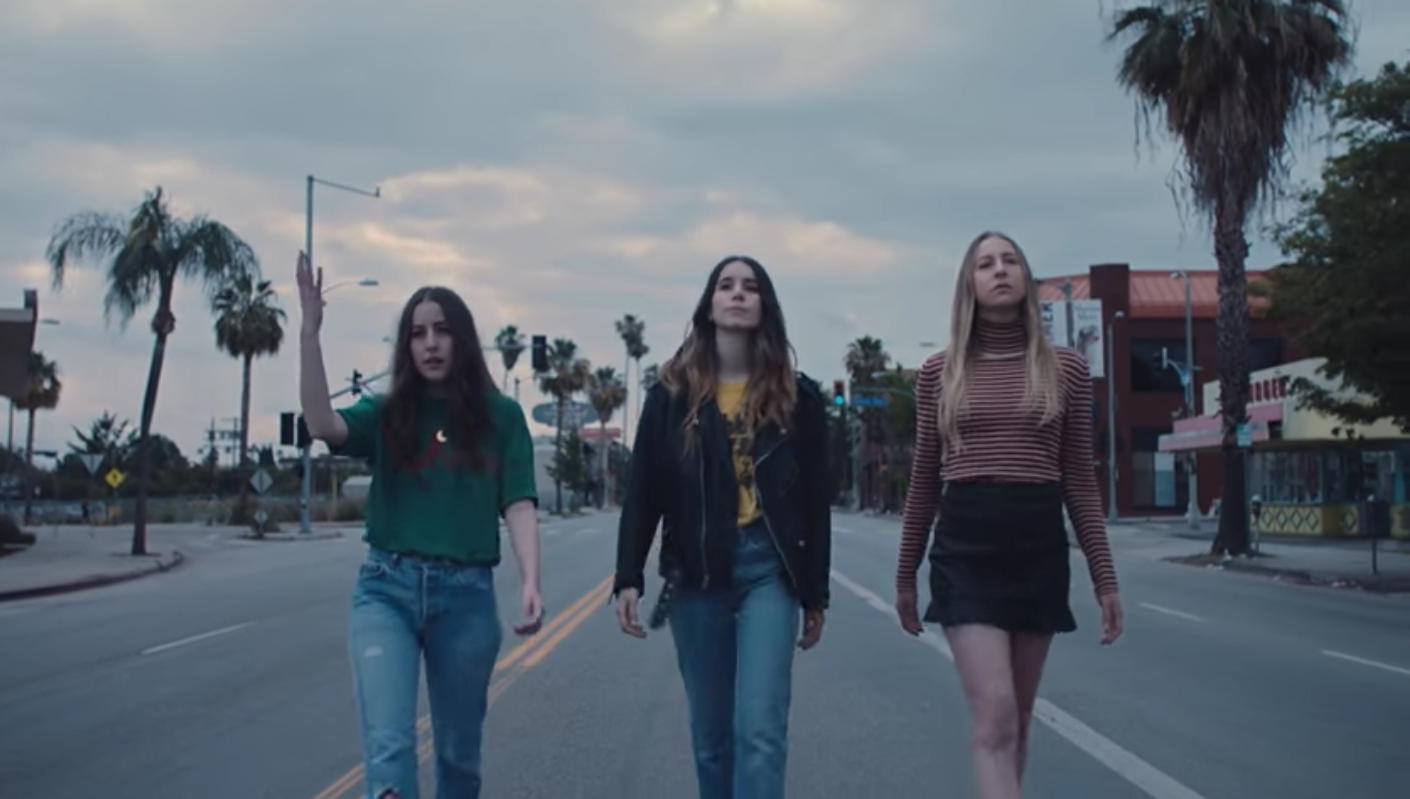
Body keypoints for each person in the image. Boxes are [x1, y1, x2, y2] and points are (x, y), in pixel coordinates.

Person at [296, 252, 544, 799]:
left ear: (462, 340)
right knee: (389, 749)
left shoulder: (501, 417)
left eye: (442, 331)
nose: (431, 343)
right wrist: (310, 334)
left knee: (458, 758)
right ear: (406, 346)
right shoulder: (388, 412)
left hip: (466, 599)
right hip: (386, 591)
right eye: (417, 333)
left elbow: (520, 504)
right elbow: (321, 422)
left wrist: (530, 580)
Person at [894, 231, 1123, 799]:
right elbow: (924, 480)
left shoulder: (1066, 369)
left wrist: (1105, 579)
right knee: (995, 716)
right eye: (985, 264)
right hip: (966, 549)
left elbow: (1079, 480)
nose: (1000, 270)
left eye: (1010, 261)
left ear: (1026, 278)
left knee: (1018, 718)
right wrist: (904, 576)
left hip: (1038, 547)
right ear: (968, 284)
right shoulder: (939, 372)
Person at [613, 255, 832, 799]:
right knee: (712, 739)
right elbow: (644, 492)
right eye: (726, 285)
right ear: (708, 305)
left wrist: (815, 592)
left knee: (760, 729)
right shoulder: (671, 397)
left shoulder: (798, 397)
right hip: (695, 574)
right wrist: (628, 576)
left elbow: (815, 503)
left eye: (750, 287)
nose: (737, 294)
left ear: (765, 306)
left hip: (768, 571)